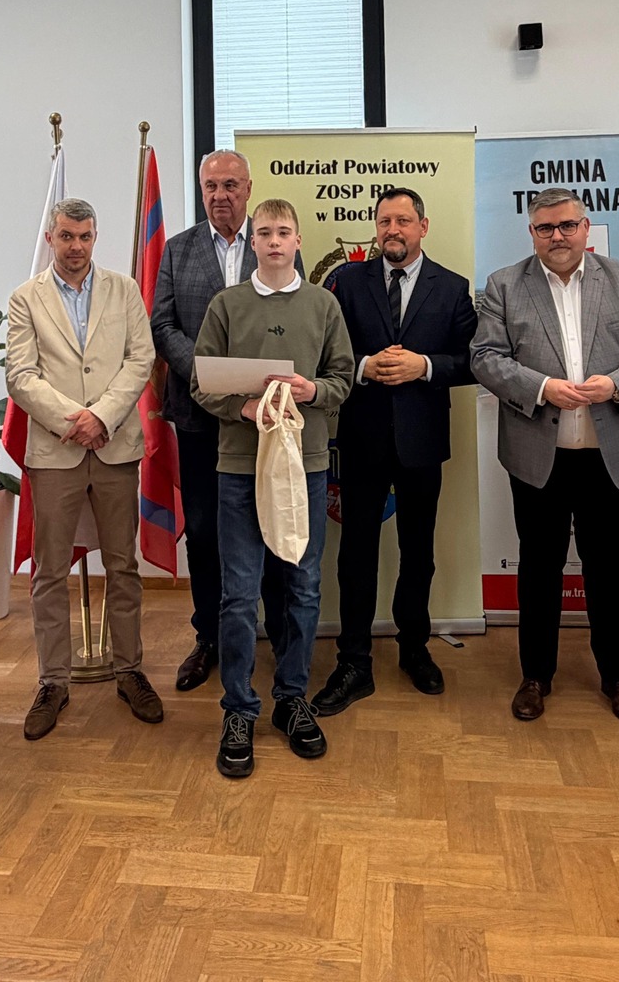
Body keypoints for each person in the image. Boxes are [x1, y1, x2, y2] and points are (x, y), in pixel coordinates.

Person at [472, 189, 619, 727]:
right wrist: (542, 388)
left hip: (609, 454)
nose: (557, 236)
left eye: (566, 225)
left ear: (586, 228)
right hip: (538, 456)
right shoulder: (504, 285)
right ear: (532, 233)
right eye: (545, 228)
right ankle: (535, 676)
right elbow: (485, 357)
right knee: (538, 568)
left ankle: (617, 677)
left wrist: (617, 384)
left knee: (606, 568)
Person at [191, 199, 353, 779]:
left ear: (299, 240)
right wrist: (244, 407)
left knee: (303, 586)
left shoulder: (324, 304)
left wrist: (312, 392)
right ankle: (238, 709)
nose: (276, 241)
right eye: (265, 232)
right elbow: (202, 382)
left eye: (285, 232)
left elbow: (343, 379)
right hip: (239, 465)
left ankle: (291, 698)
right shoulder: (226, 305)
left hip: (305, 465)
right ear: (252, 242)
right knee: (239, 593)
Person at [312, 187, 477, 715]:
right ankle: (353, 661)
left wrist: (423, 366)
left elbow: (474, 361)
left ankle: (414, 648)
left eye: (403, 221)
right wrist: (364, 367)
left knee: (418, 552)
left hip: (421, 439)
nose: (393, 230)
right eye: (384, 221)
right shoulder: (347, 282)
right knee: (356, 553)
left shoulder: (452, 287)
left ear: (423, 227)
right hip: (361, 438)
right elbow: (326, 352)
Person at [4, 197, 163, 740]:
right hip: (56, 451)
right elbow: (21, 375)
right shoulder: (26, 298)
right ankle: (53, 681)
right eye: (67, 236)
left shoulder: (124, 289)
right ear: (51, 238)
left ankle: (129, 670)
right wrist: (74, 421)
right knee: (49, 571)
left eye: (85, 236)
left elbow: (140, 360)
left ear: (96, 237)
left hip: (114, 446)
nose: (76, 247)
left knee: (123, 566)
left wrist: (102, 416)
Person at [149, 150, 290, 694]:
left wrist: (252, 381)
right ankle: (208, 636)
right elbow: (163, 325)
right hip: (199, 415)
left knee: (269, 524)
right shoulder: (178, 249)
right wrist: (209, 373)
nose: (220, 195)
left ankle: (278, 635)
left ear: (248, 188)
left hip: (264, 416)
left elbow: (291, 316)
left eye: (230, 184)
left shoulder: (273, 242)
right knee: (205, 530)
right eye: (211, 186)